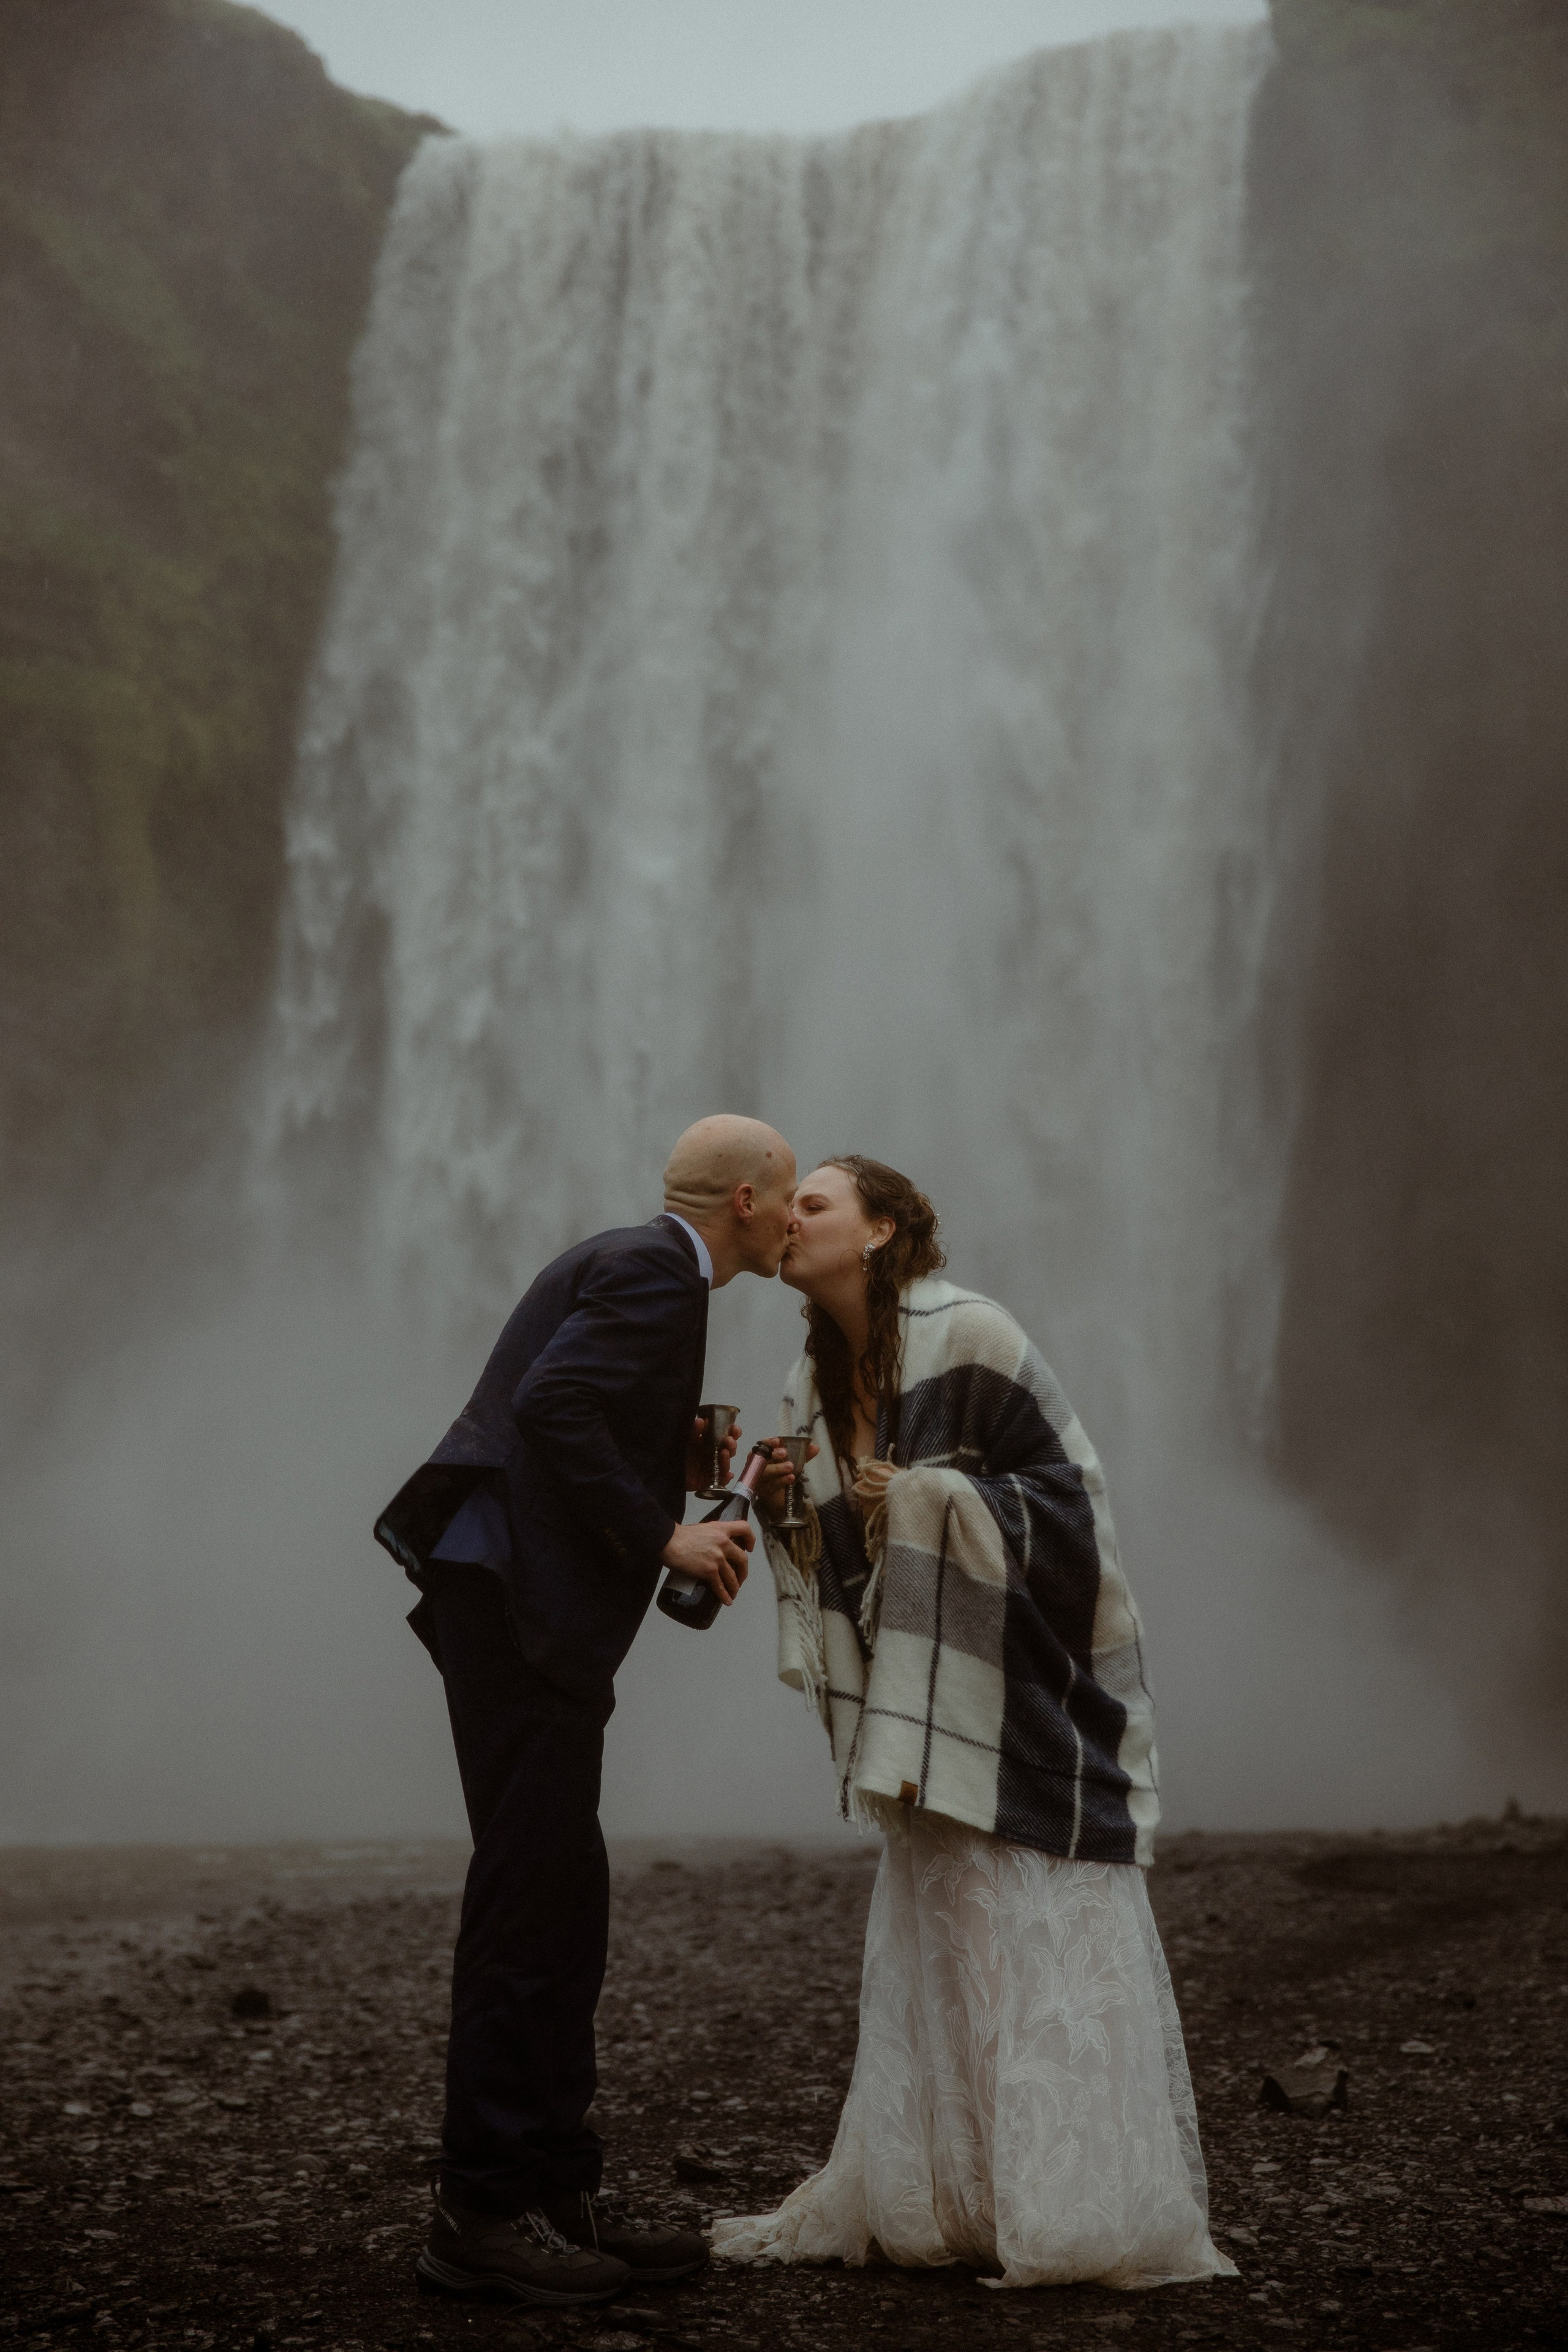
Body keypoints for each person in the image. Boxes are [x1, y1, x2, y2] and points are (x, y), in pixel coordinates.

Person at [711, 1156, 1235, 2294]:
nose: (788, 1218)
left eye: (814, 1202)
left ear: (882, 1228)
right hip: (916, 1703)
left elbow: (1072, 1505)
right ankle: (953, 2198)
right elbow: (843, 1554)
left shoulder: (978, 1334)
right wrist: (786, 1500)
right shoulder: (812, 1372)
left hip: (1018, 1691)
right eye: (784, 1201)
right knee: (947, 1940)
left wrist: (933, 1497)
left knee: (1022, 1933)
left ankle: (1065, 2205)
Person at [374, 1115, 796, 2309]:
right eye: (788, 1189)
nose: (797, 1208)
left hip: (505, 1602)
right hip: (518, 1611)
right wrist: (664, 1530)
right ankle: (479, 2214)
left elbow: (563, 1407)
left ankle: (557, 2188)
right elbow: (554, 1404)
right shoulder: (661, 1274)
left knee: (565, 1892)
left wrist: (671, 1458)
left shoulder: (629, 1263)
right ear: (749, 1203)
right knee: (527, 1900)